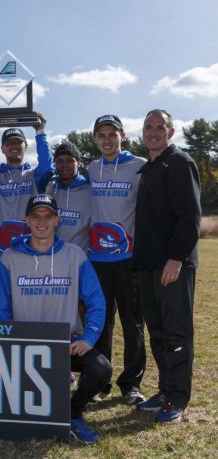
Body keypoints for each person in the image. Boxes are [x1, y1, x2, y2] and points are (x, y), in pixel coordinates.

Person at [0, 194, 110, 444]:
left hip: (65, 344)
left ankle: (73, 412)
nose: (42, 222)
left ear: (57, 220)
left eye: (48, 216)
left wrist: (89, 338)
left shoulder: (74, 255)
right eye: (36, 216)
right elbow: (3, 309)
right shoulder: (9, 257)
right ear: (26, 220)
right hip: (25, 346)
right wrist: (10, 343)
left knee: (101, 369)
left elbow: (96, 301)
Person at [134, 109, 201, 423]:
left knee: (176, 334)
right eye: (149, 127)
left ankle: (177, 398)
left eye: (160, 127)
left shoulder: (179, 163)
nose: (154, 132)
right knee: (158, 333)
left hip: (173, 265)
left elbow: (190, 217)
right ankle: (164, 390)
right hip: (148, 266)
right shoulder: (150, 167)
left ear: (171, 132)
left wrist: (176, 258)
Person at [88, 114, 147, 404]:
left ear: (122, 135)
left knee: (133, 323)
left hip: (129, 259)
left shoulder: (138, 166)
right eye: (101, 135)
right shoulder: (91, 168)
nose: (107, 140)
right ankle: (101, 381)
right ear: (95, 139)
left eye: (112, 134)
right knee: (101, 323)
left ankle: (131, 384)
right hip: (97, 261)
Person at [0, 113, 53, 261]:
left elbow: (47, 168)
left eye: (18, 142)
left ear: (26, 146)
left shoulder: (33, 176)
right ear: (2, 149)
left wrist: (40, 132)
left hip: (28, 248)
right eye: (9, 143)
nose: (14, 146)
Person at [45, 142, 91, 250]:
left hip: (79, 261)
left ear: (78, 162)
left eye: (70, 160)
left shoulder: (91, 190)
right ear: (54, 163)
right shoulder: (50, 189)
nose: (64, 165)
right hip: (50, 258)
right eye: (59, 161)